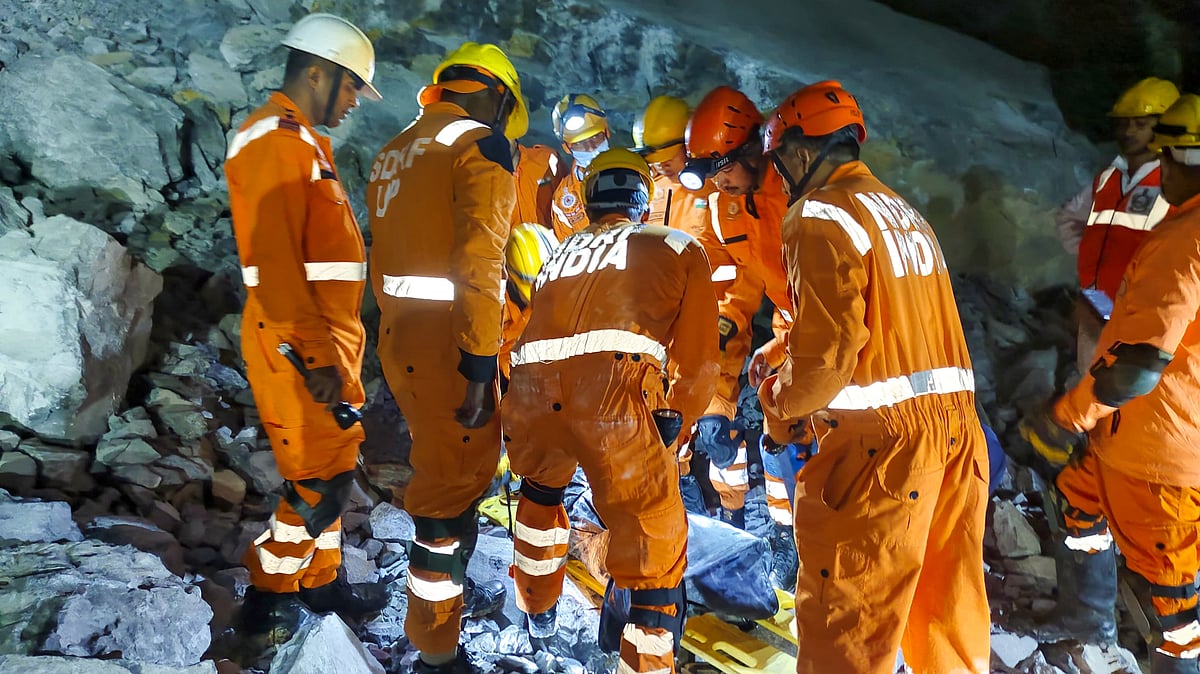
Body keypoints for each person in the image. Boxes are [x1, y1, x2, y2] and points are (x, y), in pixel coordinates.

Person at [757, 81, 990, 674]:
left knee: (849, 628)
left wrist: (777, 399)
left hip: (883, 452)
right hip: (959, 437)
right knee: (945, 618)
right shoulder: (902, 212)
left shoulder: (819, 212)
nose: (779, 177)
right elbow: (894, 330)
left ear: (803, 151)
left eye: (780, 160)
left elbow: (827, 360)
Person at [504, 149, 720, 673]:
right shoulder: (678, 244)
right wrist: (674, 421)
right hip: (610, 402)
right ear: (642, 198)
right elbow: (697, 363)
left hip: (531, 396)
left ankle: (537, 614)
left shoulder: (559, 251)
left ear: (592, 194)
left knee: (538, 501)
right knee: (654, 541)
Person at [1020, 94, 1200, 674]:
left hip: (1156, 449)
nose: (1160, 166)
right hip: (1143, 435)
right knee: (1076, 498)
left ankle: (1177, 661)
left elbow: (1137, 366)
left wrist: (1065, 416)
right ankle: (1087, 620)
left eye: (1166, 156)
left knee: (1172, 589)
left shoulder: (1182, 243)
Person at [365, 42, 527, 674]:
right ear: (495, 96)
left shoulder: (396, 147)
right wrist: (481, 365)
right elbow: (479, 265)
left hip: (400, 339)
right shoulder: (481, 146)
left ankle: (442, 609)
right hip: (451, 349)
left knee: (442, 475)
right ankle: (436, 651)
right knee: (448, 492)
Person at [226, 12, 385, 636]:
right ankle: (264, 597)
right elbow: (274, 268)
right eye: (350, 88)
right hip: (298, 347)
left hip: (323, 344)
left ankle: (323, 589)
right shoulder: (272, 140)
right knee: (319, 484)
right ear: (316, 72)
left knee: (335, 463)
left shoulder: (303, 144)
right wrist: (315, 358)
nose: (353, 103)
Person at [684, 85, 798, 587]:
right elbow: (727, 310)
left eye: (722, 168)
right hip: (789, 332)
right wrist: (714, 401)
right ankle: (785, 540)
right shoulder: (724, 209)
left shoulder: (799, 191)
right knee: (779, 429)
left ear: (752, 149)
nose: (718, 183)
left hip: (837, 332)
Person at [633, 95, 759, 519]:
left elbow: (748, 269)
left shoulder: (721, 188)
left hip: (718, 328)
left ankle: (735, 511)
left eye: (664, 158)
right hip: (666, 331)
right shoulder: (654, 189)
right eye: (651, 159)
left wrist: (729, 320)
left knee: (716, 427)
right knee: (668, 421)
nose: (659, 167)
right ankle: (684, 502)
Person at [1054, 77, 1179, 373]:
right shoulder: (1111, 176)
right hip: (1095, 313)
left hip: (1141, 325)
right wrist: (1091, 263)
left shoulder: (1176, 183)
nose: (1128, 131)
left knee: (1133, 405)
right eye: (1124, 123)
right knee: (1093, 398)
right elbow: (1068, 219)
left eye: (1140, 123)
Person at [549, 93, 611, 240]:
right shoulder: (563, 202)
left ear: (607, 132)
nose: (591, 148)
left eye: (596, 137)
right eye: (579, 143)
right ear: (566, 148)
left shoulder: (640, 171)